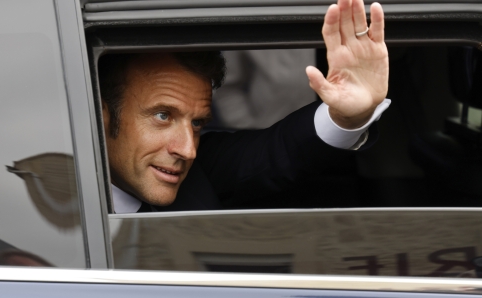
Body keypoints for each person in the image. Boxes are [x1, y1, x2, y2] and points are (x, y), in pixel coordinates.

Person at [99, 0, 391, 213]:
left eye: (197, 123)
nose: (188, 150)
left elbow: (282, 149)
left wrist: (346, 116)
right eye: (163, 116)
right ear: (100, 115)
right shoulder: (57, 202)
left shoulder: (203, 171)